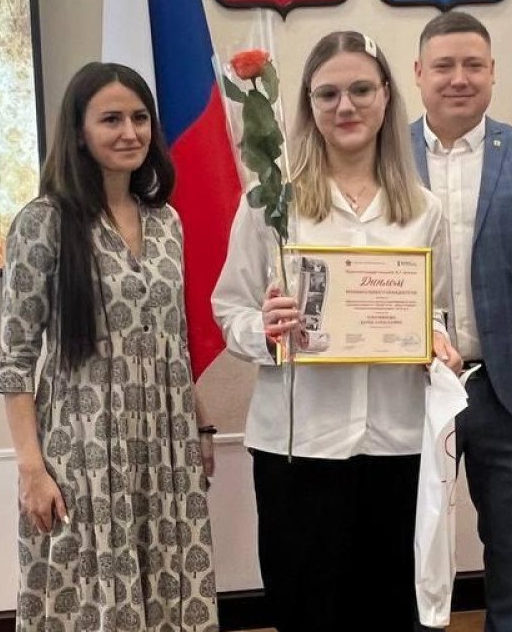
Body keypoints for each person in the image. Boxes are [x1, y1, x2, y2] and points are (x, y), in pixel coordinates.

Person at [212, 31, 459, 632]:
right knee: (306, 610)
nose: (345, 106)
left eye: (360, 90)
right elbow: (230, 309)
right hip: (300, 447)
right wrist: (266, 330)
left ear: (386, 97)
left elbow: (435, 310)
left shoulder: (423, 208)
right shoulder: (271, 204)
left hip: (396, 444)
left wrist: (434, 341)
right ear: (308, 104)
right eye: (328, 94)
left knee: (389, 611)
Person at [0, 62, 218, 632]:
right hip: (86, 449)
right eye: (111, 119)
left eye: (140, 118)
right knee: (91, 601)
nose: (130, 132)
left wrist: (201, 426)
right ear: (79, 132)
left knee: (170, 587)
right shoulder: (43, 222)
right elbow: (15, 361)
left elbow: (172, 338)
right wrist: (31, 470)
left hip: (166, 445)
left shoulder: (166, 222)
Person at [409, 11, 512, 632]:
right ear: (418, 74)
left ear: (493, 72)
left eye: (473, 65)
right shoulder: (381, 156)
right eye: (443, 66)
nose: (459, 78)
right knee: (413, 551)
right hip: (411, 392)